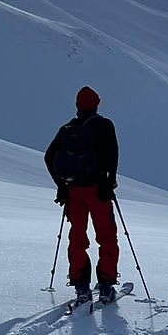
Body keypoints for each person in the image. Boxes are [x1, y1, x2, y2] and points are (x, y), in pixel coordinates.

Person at [44, 86, 120, 305]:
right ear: (97, 103)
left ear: (77, 106)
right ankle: (106, 286)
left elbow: (49, 157)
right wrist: (110, 181)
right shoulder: (104, 125)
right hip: (98, 191)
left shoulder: (67, 128)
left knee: (77, 237)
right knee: (106, 237)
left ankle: (81, 286)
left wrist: (61, 186)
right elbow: (112, 154)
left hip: (73, 192)